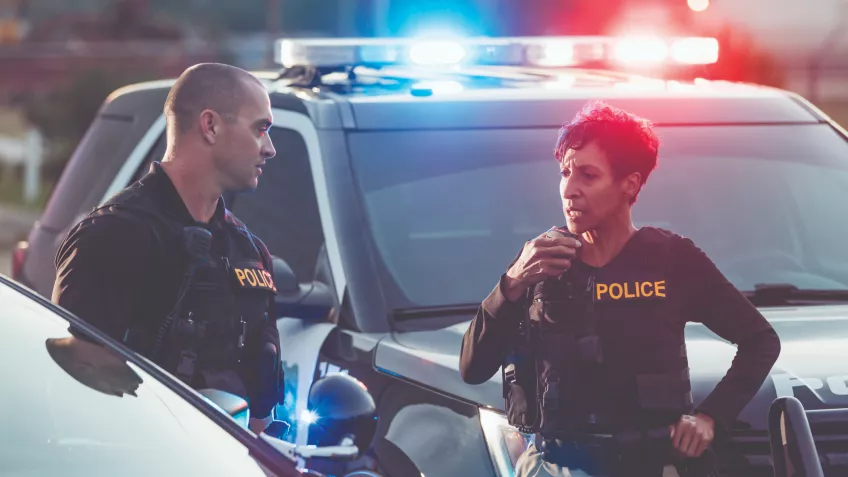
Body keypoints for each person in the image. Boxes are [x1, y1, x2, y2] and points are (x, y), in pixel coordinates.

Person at [459, 102, 781, 476]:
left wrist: (711, 417)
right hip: (556, 465)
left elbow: (761, 340)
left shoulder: (672, 259)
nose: (570, 189)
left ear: (630, 184)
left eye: (588, 175)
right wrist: (512, 283)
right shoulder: (539, 261)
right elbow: (472, 369)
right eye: (565, 173)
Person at [52, 63, 280, 434]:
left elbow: (260, 418)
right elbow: (77, 403)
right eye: (261, 129)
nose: (269, 149)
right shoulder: (111, 238)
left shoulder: (249, 252)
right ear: (211, 126)